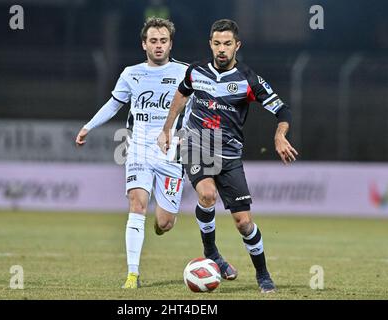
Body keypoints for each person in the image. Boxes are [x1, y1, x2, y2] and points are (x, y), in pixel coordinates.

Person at [157, 19, 298, 293]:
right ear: (210, 44)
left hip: (229, 154)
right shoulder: (195, 71)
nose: (222, 49)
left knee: (244, 223)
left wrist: (280, 135)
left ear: (237, 46)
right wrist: (167, 129)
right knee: (207, 194)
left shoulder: (248, 80)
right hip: (195, 144)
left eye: (227, 44)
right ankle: (211, 253)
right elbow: (181, 95)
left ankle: (262, 274)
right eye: (217, 43)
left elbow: (283, 111)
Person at [75, 17, 189, 289]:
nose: (158, 45)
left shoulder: (186, 73)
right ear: (144, 44)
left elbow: (202, 105)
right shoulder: (131, 73)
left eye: (163, 41)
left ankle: (160, 225)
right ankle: (132, 275)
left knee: (165, 222)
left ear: (170, 44)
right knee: (136, 204)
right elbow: (114, 105)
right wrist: (88, 126)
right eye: (153, 41)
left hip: (171, 154)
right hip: (138, 149)